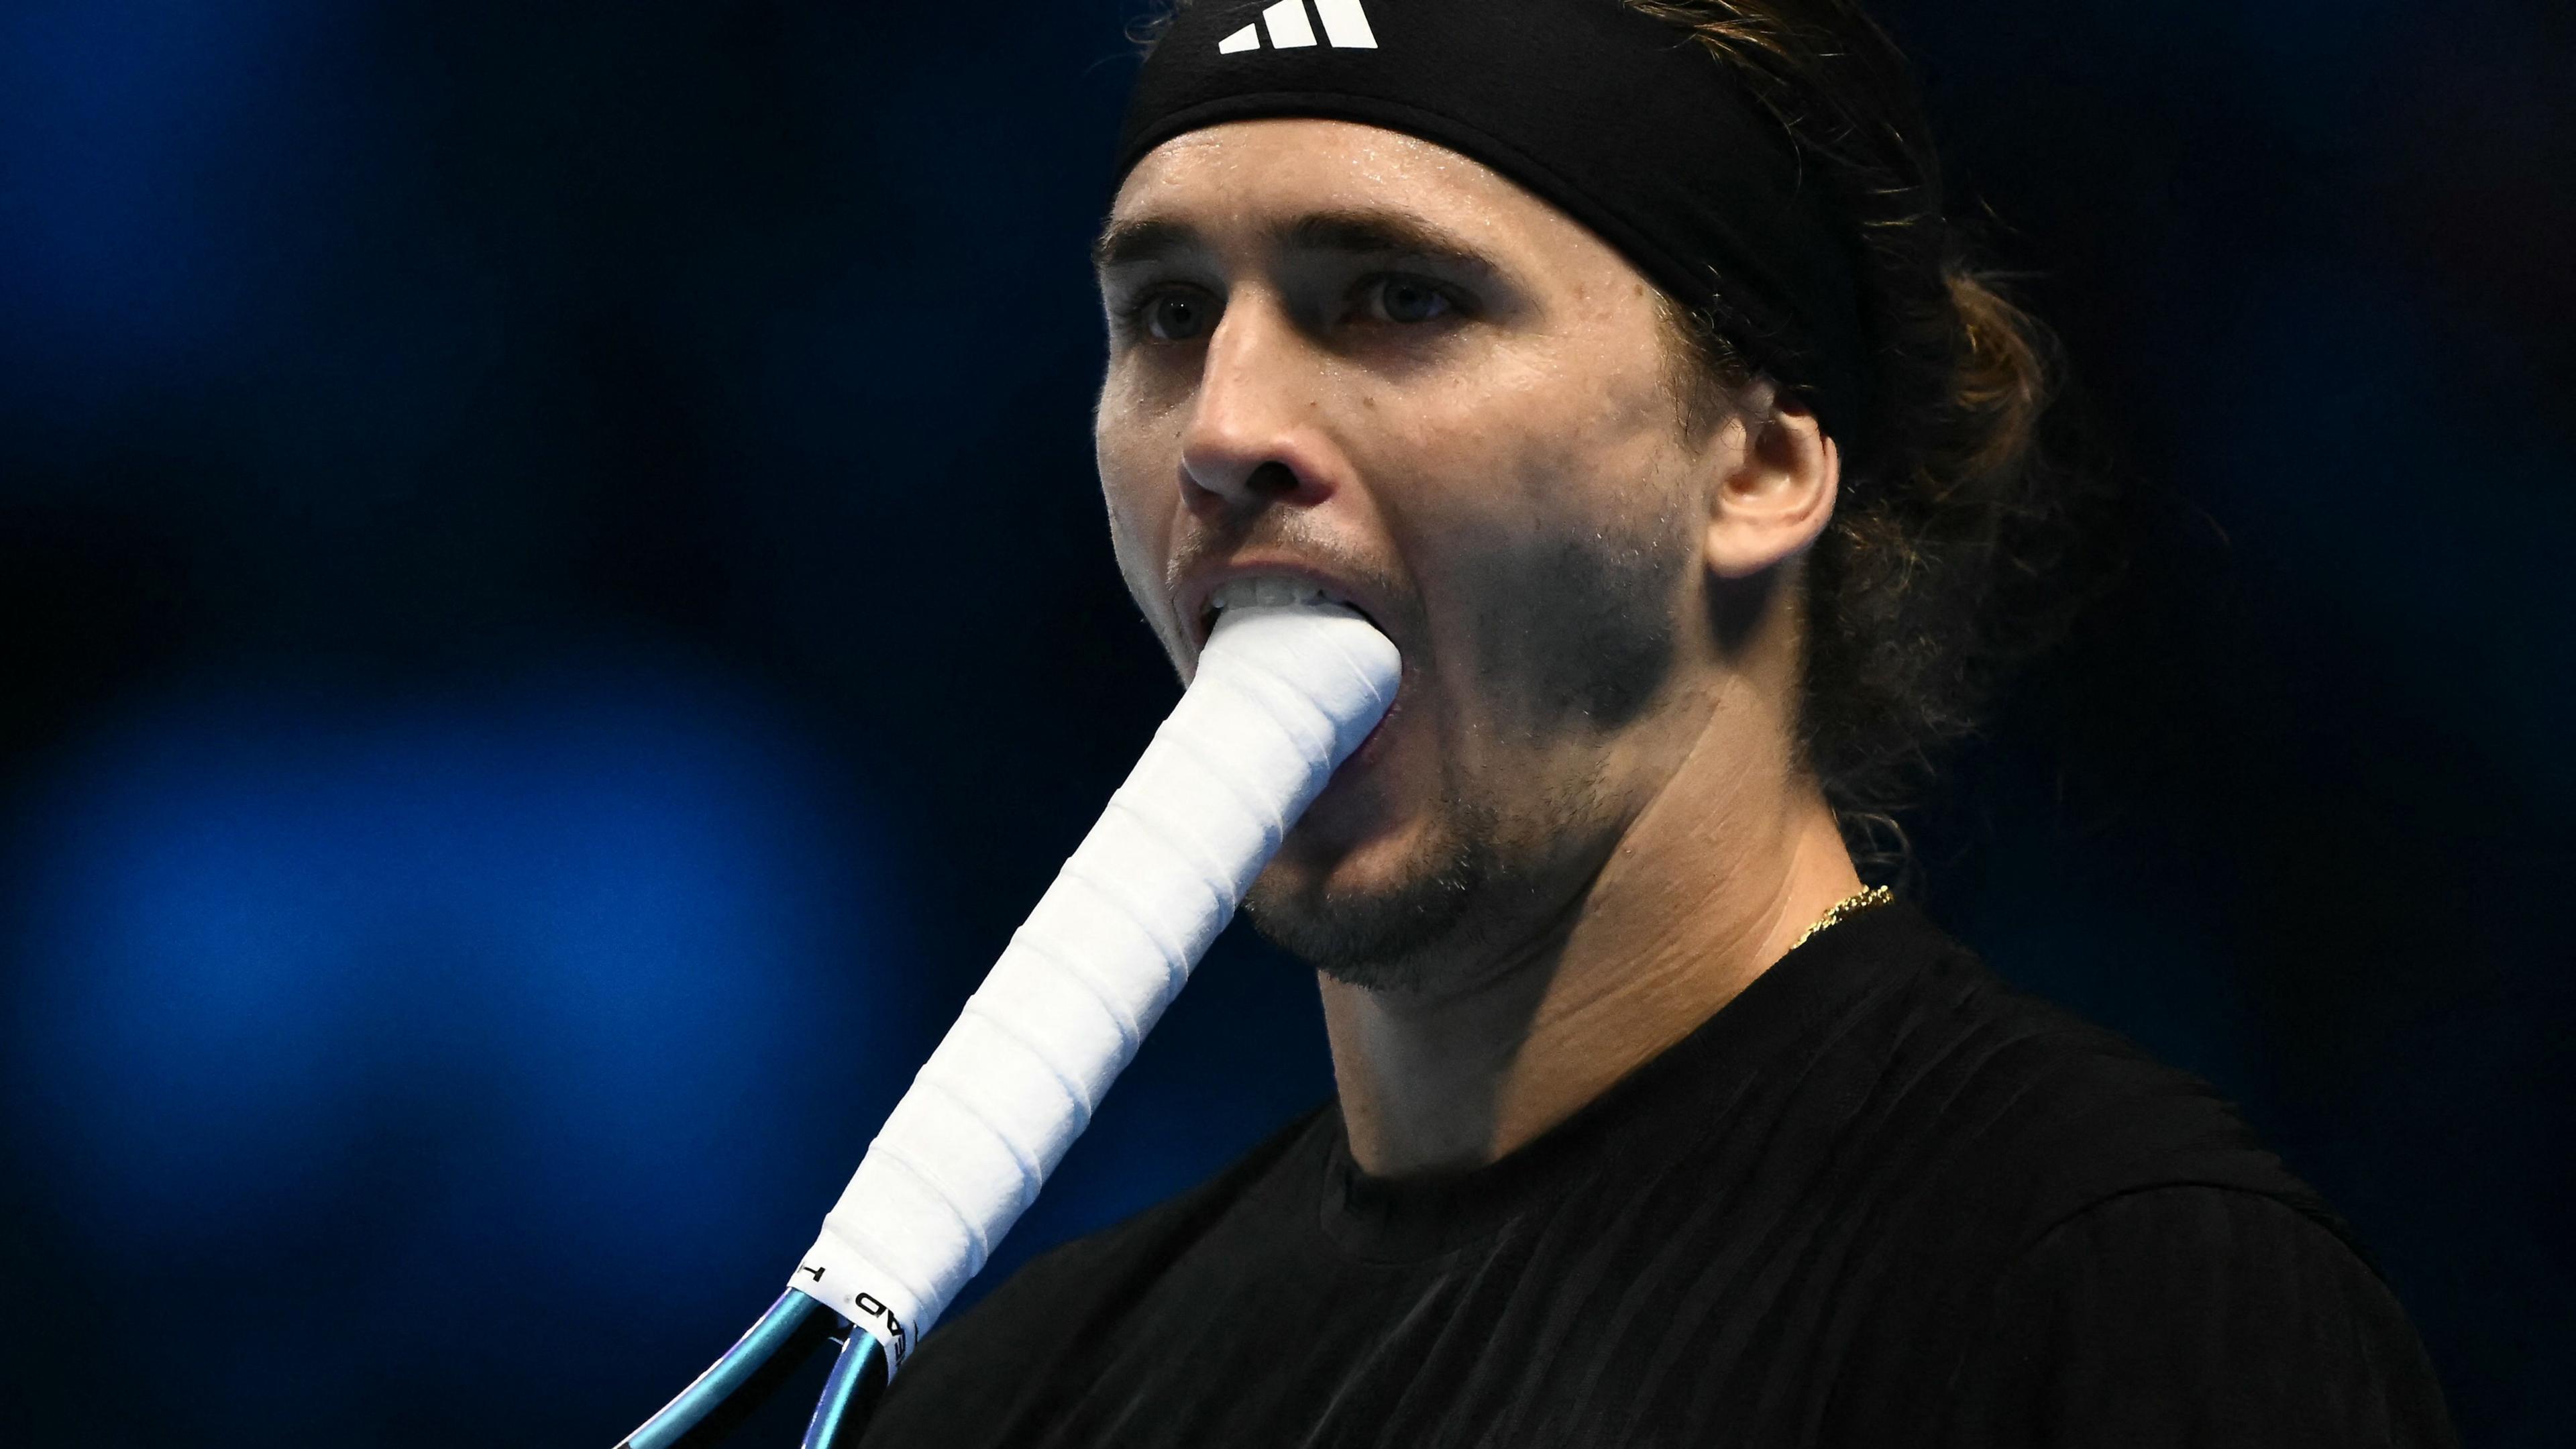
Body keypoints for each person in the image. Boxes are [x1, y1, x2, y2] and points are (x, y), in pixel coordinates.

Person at [856, 1, 2457, 1443]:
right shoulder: (1021, 1398)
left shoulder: (2122, 1296)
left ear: (1758, 465)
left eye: (1401, 297)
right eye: (1169, 313)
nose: (1224, 429)